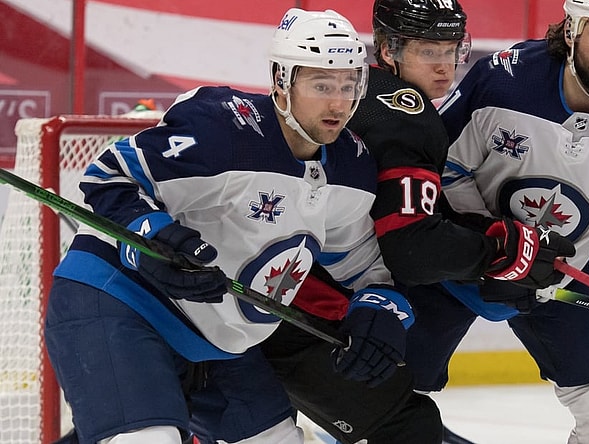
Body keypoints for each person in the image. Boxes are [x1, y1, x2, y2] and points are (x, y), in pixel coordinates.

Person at [44, 8, 420, 444]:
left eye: (347, 86)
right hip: (121, 303)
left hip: (220, 343)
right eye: (321, 85)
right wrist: (154, 238)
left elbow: (365, 271)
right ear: (282, 80)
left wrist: (381, 313)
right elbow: (106, 179)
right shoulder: (223, 128)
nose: (337, 102)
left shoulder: (350, 168)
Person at [265, 1, 575, 443]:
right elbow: (409, 246)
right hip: (314, 307)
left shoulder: (347, 93)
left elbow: (402, 212)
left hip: (275, 284)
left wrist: (488, 238)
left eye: (453, 50)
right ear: (389, 48)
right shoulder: (407, 115)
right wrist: (498, 252)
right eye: (430, 51)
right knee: (404, 417)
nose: (446, 68)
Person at [404, 0, 589, 443]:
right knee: (383, 391)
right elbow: (438, 168)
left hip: (555, 271)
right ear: (571, 31)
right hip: (455, 257)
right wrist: (492, 244)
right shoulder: (504, 80)